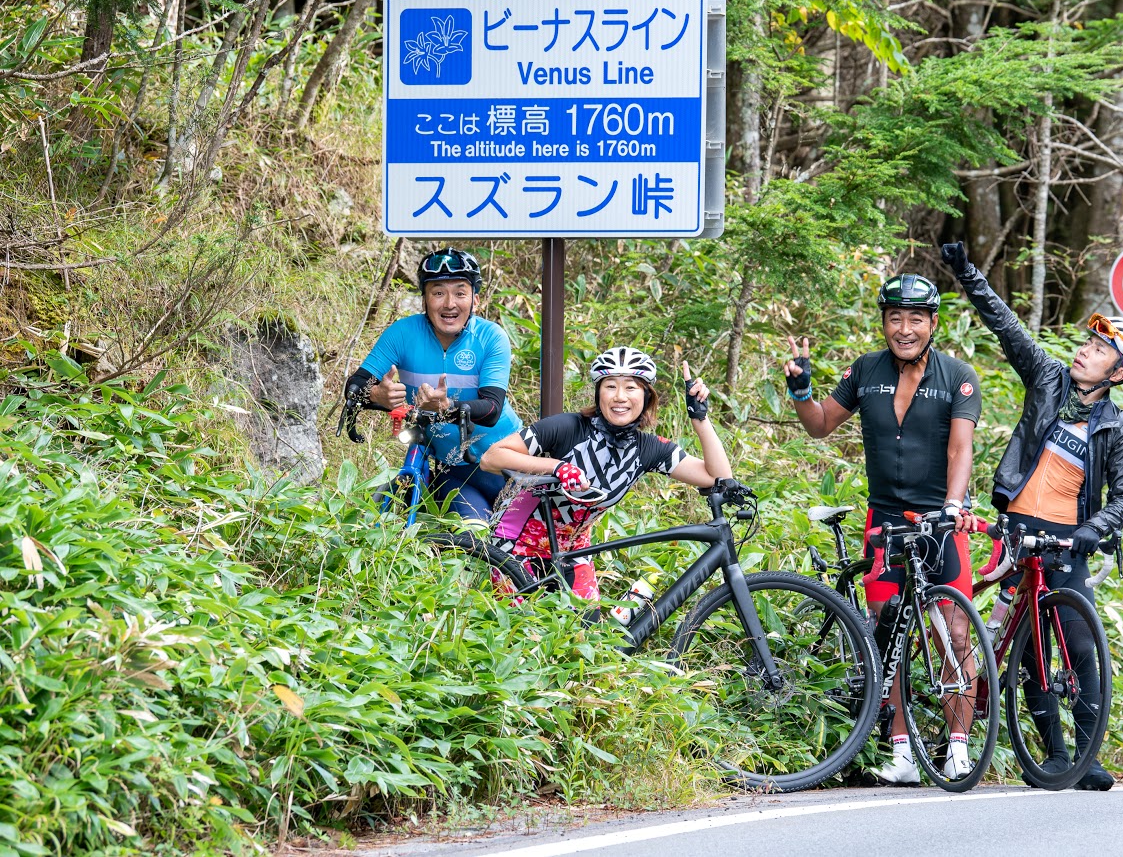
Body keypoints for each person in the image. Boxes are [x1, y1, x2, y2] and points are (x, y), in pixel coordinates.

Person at [939, 241, 1123, 792]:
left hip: (1067, 542)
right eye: (1087, 343)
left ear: (1120, 373)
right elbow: (1007, 328)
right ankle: (1051, 753)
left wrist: (1090, 533)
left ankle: (1086, 755)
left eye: (1099, 351)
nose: (1083, 351)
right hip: (1015, 533)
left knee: (1078, 645)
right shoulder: (1049, 381)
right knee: (1026, 649)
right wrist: (967, 272)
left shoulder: (1119, 430)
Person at [783, 272, 983, 785]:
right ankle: (900, 750)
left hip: (939, 519)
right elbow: (820, 424)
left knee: (955, 633)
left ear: (933, 323)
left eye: (916, 318)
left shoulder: (957, 375)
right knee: (883, 633)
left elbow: (961, 448)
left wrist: (953, 503)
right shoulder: (865, 371)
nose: (905, 328)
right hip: (885, 521)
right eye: (895, 318)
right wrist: (801, 388)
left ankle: (957, 746)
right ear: (885, 323)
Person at [479, 347, 734, 601]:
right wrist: (557, 467)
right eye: (610, 386)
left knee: (588, 635)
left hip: (574, 551)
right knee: (526, 630)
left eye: (631, 387)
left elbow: (719, 478)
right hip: (516, 544)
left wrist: (699, 418)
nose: (619, 397)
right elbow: (491, 458)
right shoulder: (569, 428)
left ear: (647, 396)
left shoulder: (647, 449)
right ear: (598, 393)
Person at [345, 248, 524, 521]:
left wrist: (447, 406)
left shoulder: (490, 337)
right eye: (438, 292)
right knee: (474, 535)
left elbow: (491, 409)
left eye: (460, 293)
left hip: (511, 462)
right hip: (455, 471)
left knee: (527, 546)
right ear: (425, 300)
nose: (449, 303)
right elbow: (355, 386)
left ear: (475, 299)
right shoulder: (402, 334)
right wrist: (376, 394)